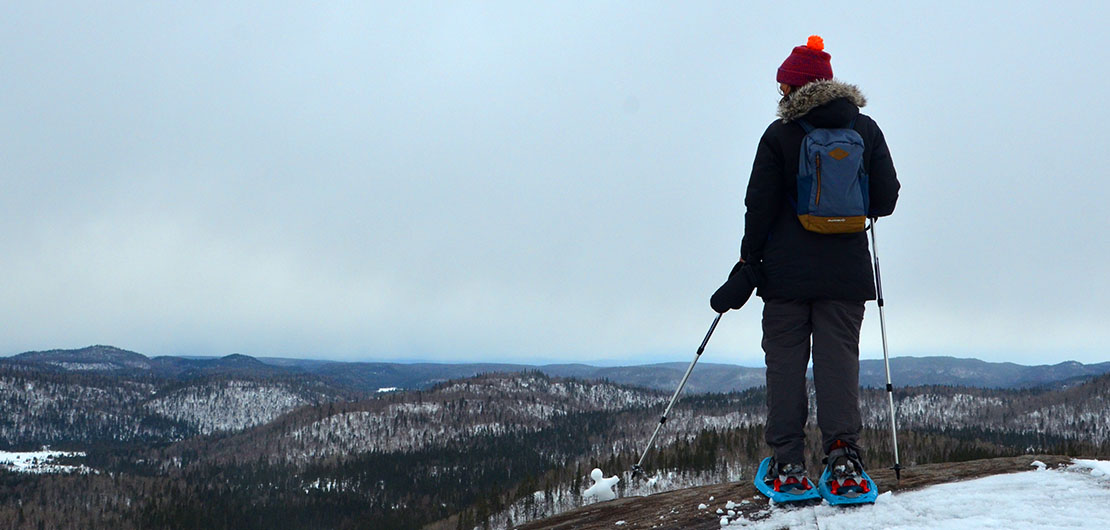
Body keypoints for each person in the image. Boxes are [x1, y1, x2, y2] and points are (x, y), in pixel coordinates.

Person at [711, 35, 900, 495]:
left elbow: (758, 206)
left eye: (782, 87)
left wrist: (748, 260)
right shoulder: (866, 129)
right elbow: (887, 199)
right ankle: (843, 458)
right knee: (839, 365)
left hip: (785, 275)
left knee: (786, 365)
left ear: (793, 89)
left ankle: (788, 463)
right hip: (846, 274)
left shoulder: (779, 135)